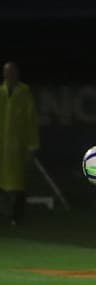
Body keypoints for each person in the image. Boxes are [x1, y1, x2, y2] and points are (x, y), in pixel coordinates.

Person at [0, 62, 40, 225]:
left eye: (12, 72)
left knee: (18, 183)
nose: (9, 76)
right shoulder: (0, 92)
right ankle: (4, 215)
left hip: (17, 147)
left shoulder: (24, 93)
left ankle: (16, 217)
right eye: (7, 73)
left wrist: (32, 146)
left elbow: (31, 121)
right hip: (1, 147)